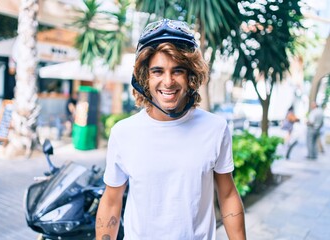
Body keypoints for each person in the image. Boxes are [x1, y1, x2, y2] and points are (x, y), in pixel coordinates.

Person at [96, 19, 246, 239]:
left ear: (191, 75)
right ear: (145, 77)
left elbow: (227, 194)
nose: (168, 81)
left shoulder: (215, 128)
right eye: (157, 71)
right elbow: (111, 201)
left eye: (178, 71)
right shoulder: (124, 133)